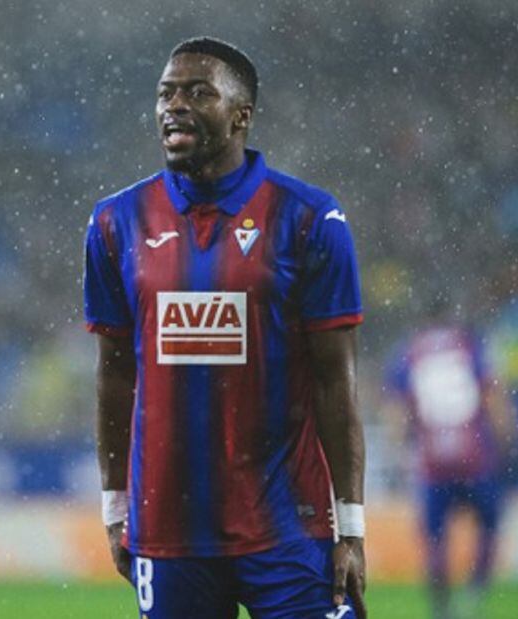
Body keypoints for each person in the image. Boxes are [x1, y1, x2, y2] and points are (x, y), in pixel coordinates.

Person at [83, 37, 367, 619]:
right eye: (165, 94)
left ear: (242, 115)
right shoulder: (116, 223)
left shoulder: (310, 219)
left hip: (290, 528)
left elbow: (335, 382)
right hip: (168, 533)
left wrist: (353, 528)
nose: (174, 106)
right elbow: (115, 376)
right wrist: (116, 508)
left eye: (196, 92)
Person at [382, 304, 518, 619]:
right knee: (491, 523)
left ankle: (441, 605)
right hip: (475, 457)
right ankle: (474, 592)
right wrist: (509, 440)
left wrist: (397, 449)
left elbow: (397, 412)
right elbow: (493, 396)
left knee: (434, 537)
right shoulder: (470, 344)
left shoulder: (409, 351)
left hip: (433, 463)